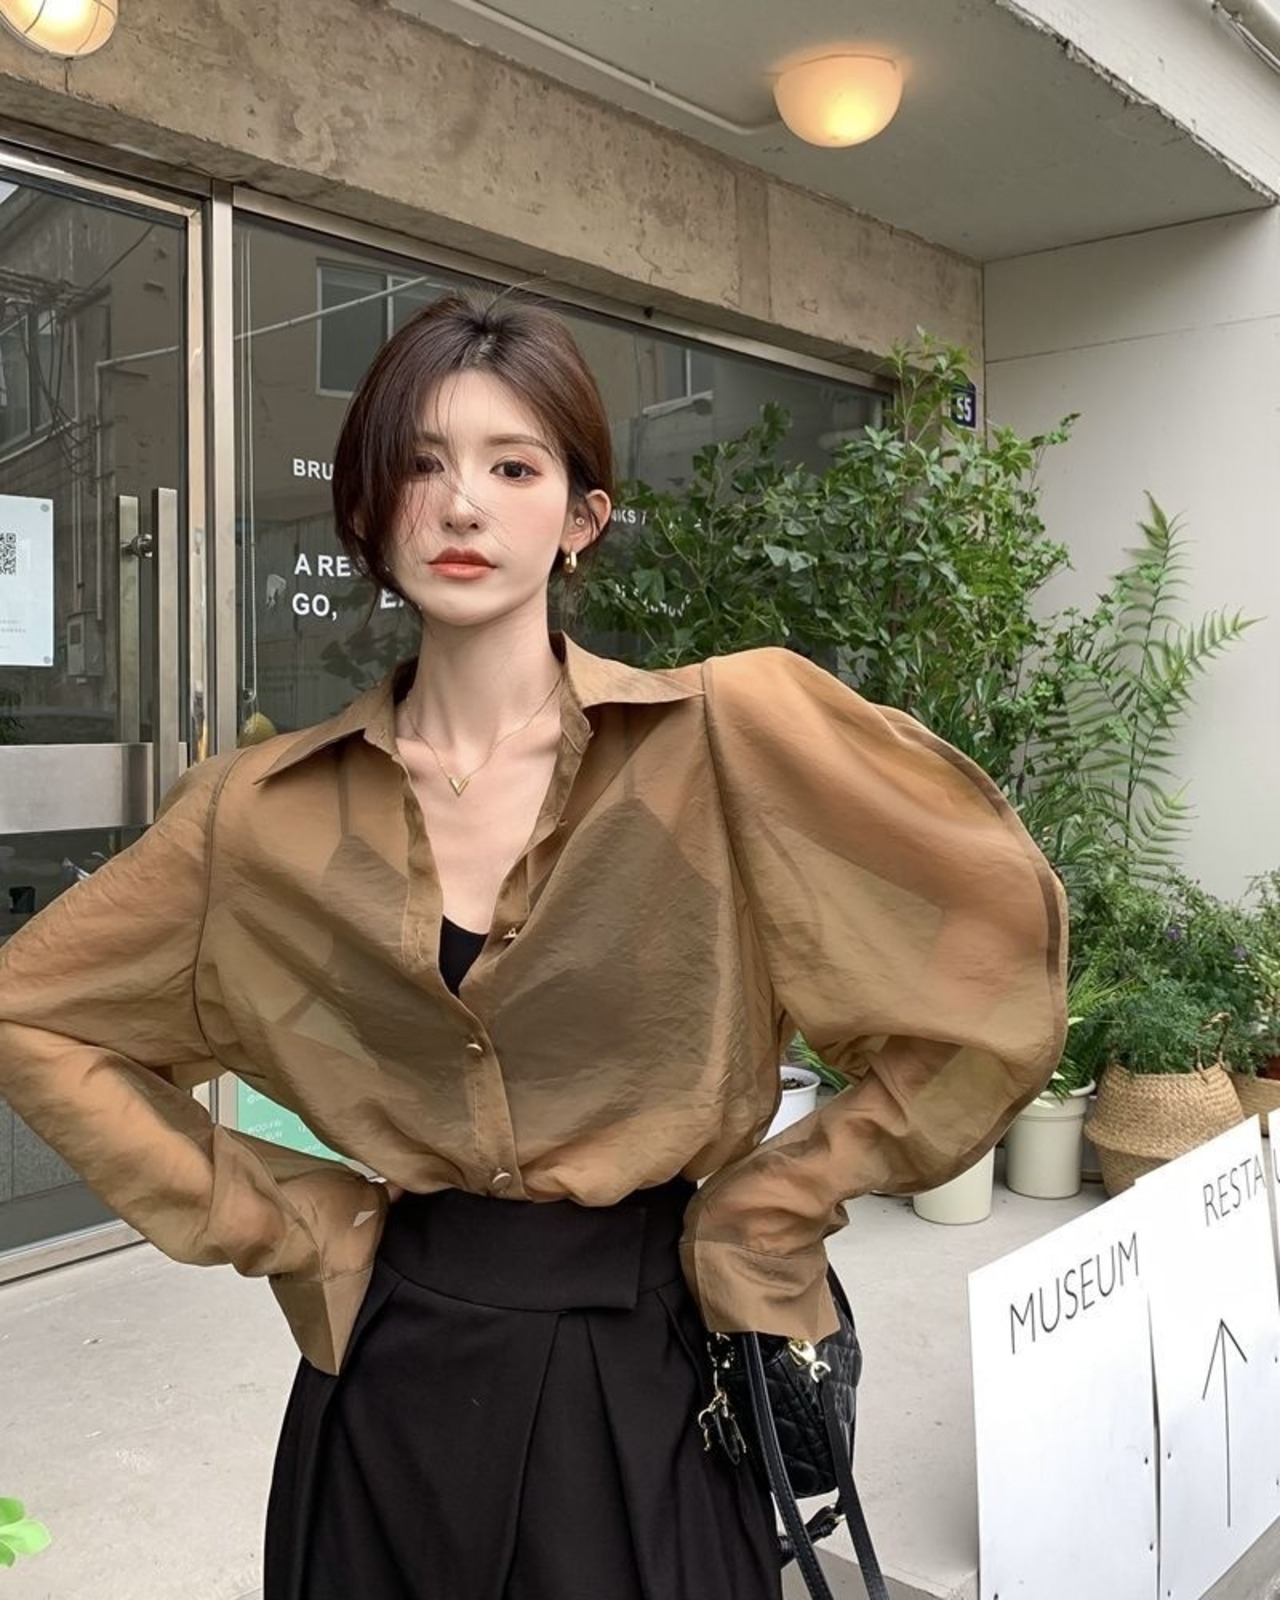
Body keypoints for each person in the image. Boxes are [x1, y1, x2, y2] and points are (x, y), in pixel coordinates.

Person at [0, 293, 1067, 1599]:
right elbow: (35, 1013)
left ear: (581, 518)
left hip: (649, 1370)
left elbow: (981, 990)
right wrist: (286, 1220)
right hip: (389, 1379)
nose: (462, 506)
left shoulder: (723, 748)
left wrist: (776, 1204)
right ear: (366, 511)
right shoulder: (258, 815)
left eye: (513, 468)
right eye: (422, 466)